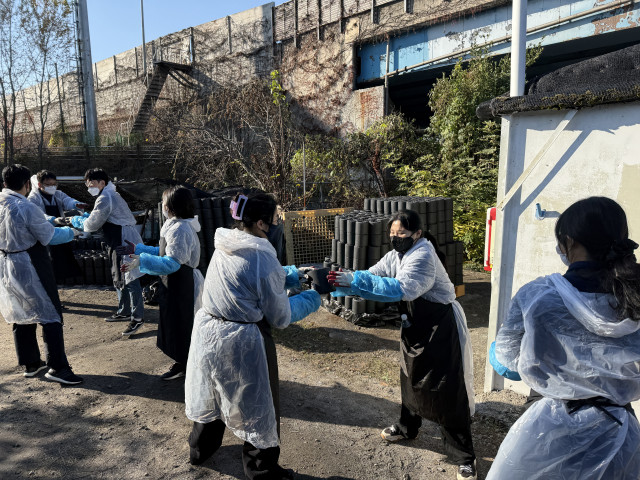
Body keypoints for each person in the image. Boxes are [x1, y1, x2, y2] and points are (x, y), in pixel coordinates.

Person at [487, 196, 640, 479]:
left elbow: (507, 361)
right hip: (619, 433)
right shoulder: (635, 299)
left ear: (569, 242)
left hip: (551, 426)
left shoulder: (538, 297)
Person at [328, 209, 477, 480]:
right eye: (392, 234)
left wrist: (356, 281)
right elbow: (373, 276)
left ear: (417, 234)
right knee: (409, 378)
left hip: (439, 328)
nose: (396, 238)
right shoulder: (397, 255)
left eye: (402, 234)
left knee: (446, 389)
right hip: (414, 327)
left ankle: (464, 457)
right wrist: (342, 284)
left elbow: (402, 289)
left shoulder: (422, 255)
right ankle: (407, 427)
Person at [185, 192, 321, 480]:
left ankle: (199, 450)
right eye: (275, 220)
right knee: (258, 404)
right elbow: (280, 316)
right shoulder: (262, 255)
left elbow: (250, 278)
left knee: (213, 394)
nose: (277, 224)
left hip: (209, 334)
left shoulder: (226, 242)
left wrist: (293, 274)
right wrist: (312, 296)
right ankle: (262, 471)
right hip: (244, 342)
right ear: (261, 223)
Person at [0, 164, 83, 385]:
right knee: (51, 312)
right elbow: (49, 237)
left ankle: (31, 362)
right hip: (30, 262)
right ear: (28, 184)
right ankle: (58, 367)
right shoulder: (26, 206)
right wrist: (74, 231)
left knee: (21, 309)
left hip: (6, 264)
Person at [119, 186, 205, 380]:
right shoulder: (174, 225)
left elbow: (172, 263)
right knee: (173, 321)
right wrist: (139, 249)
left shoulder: (180, 229)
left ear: (172, 206)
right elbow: (163, 251)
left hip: (182, 283)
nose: (163, 205)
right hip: (173, 283)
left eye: (164, 202)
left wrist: (141, 261)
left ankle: (185, 363)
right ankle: (183, 361)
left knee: (181, 323)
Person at [70, 168, 144, 336]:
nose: (89, 187)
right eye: (87, 184)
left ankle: (137, 318)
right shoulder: (108, 195)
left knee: (130, 277)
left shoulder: (106, 197)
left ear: (102, 183)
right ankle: (124, 311)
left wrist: (79, 221)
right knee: (119, 275)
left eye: (92, 183)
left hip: (123, 239)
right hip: (115, 239)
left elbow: (92, 224)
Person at [28, 170, 86, 284]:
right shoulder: (33, 198)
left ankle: (63, 282)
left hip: (60, 230)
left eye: (54, 184)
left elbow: (67, 200)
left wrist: (76, 204)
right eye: (48, 185)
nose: (52, 187)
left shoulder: (58, 194)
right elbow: (38, 215)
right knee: (49, 259)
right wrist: (53, 219)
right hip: (45, 233)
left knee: (63, 257)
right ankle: (51, 282)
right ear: (40, 184)